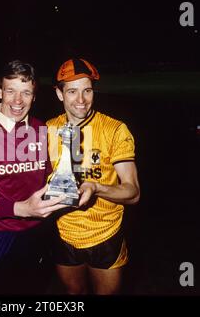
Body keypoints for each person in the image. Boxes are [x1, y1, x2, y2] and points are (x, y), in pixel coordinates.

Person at [0, 59, 66, 294]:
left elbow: (47, 175)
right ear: (0, 92)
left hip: (35, 232)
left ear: (34, 96)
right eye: (11, 91)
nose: (18, 101)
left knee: (30, 288)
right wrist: (22, 208)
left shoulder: (40, 129)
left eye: (26, 92)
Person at [46, 58, 140, 295]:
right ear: (59, 94)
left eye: (87, 90)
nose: (81, 100)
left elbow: (133, 191)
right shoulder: (45, 130)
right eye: (72, 91)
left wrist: (97, 188)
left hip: (106, 233)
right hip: (64, 232)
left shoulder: (115, 129)